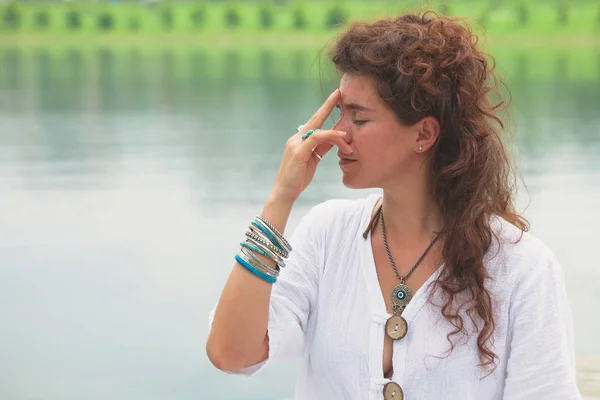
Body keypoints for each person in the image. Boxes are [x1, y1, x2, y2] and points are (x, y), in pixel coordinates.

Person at [206, 11, 582, 400]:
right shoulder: (326, 233)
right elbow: (231, 354)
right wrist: (280, 200)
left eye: (359, 118)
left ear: (424, 133)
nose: (337, 134)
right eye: (339, 113)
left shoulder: (521, 268)